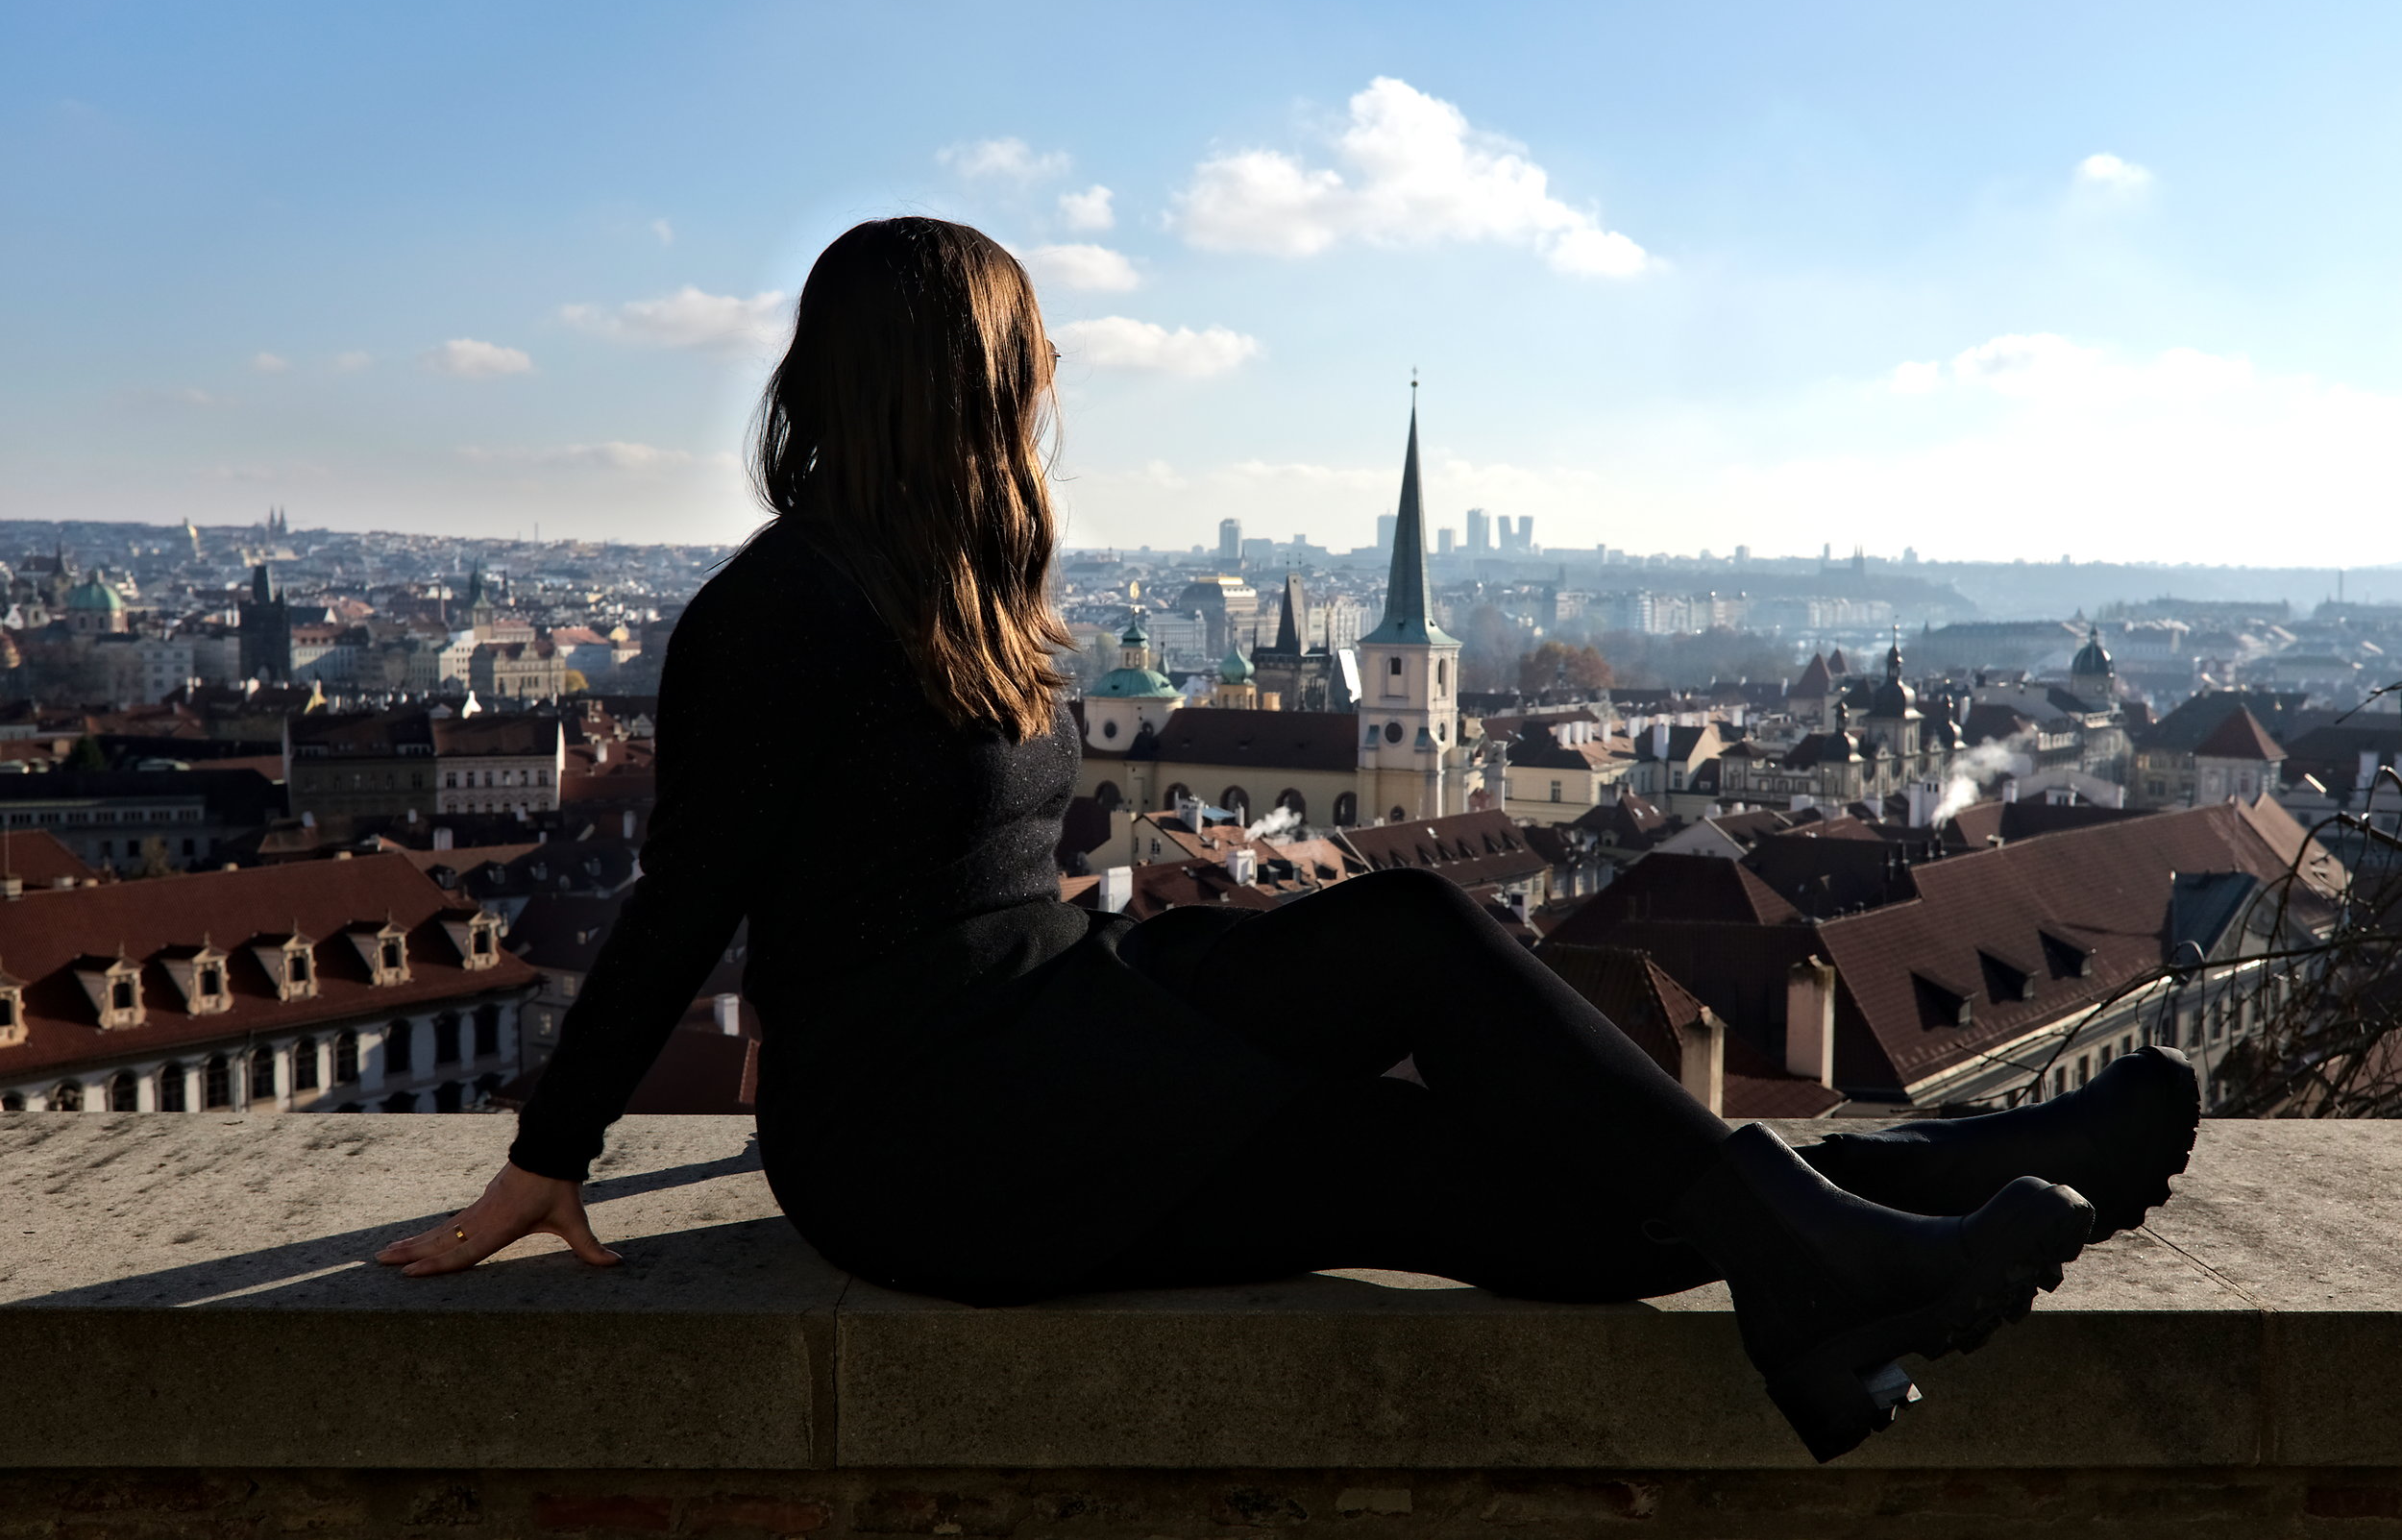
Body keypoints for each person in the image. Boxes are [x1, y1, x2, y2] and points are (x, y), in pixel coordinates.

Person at [376, 216, 2200, 1463]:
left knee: (1432, 1162)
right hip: (932, 1138)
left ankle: (1926, 1178)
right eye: (1030, 357)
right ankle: (1862, 1222)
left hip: (1051, 1037)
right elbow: (685, 902)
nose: (1057, 377)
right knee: (1403, 958)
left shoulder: (956, 595)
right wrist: (550, 1152)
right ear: (949, 383)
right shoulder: (775, 615)